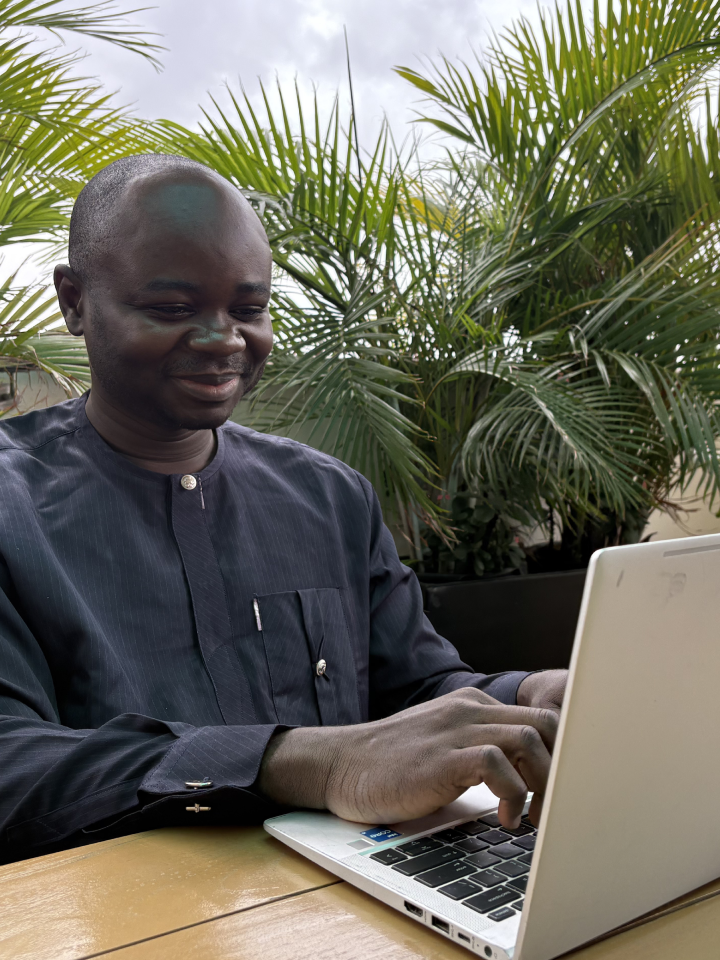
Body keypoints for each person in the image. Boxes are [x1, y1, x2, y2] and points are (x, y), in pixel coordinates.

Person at [0, 155, 567, 864]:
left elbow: (417, 687)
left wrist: (526, 697)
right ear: (75, 301)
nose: (224, 339)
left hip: (360, 903)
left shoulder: (330, 497)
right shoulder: (10, 508)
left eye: (248, 308)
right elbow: (11, 764)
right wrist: (306, 761)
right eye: (173, 309)